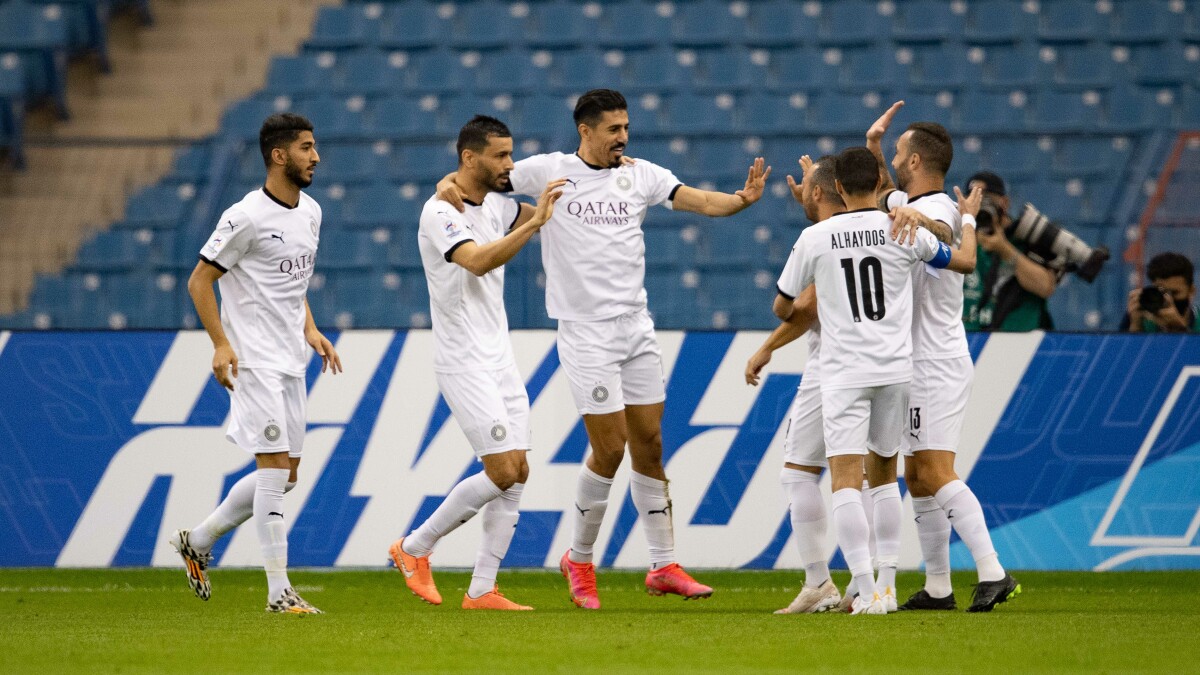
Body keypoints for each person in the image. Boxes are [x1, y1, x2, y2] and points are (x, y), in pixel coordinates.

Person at [437, 89, 771, 609]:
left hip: (636, 326)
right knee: (610, 448)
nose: (624, 137)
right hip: (584, 331)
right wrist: (444, 184)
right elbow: (482, 178)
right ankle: (579, 560)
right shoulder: (547, 169)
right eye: (614, 129)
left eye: (626, 128)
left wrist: (741, 200)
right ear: (586, 131)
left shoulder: (640, 174)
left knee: (651, 444)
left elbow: (700, 201)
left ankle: (663, 565)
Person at [773, 146, 966, 615]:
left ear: (837, 187)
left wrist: (795, 312)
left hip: (844, 374)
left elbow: (782, 303)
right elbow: (955, 259)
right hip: (896, 372)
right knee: (882, 482)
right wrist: (945, 222)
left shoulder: (815, 238)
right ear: (880, 185)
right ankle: (888, 587)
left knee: (843, 483)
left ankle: (863, 589)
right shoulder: (901, 228)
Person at [388, 116, 565, 611]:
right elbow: (478, 260)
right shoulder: (439, 212)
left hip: (499, 355)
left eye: (511, 154)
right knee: (503, 469)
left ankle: (482, 589)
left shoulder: (497, 205)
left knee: (519, 470)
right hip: (463, 359)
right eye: (501, 155)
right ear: (470, 158)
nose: (509, 164)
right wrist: (534, 222)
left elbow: (555, 213)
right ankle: (414, 546)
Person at [170, 113, 342, 614]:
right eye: (307, 147)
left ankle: (198, 541)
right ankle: (278, 593)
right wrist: (221, 344)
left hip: (291, 360)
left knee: (286, 477)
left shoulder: (310, 212)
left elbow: (294, 284)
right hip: (254, 362)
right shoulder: (244, 216)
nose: (316, 156)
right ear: (278, 155)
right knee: (271, 471)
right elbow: (200, 281)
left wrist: (310, 329)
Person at [868, 107, 1021, 612]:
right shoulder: (909, 201)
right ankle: (938, 587)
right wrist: (873, 146)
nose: (891, 161)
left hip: (934, 361)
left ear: (914, 159)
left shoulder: (942, 210)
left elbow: (943, 228)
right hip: (923, 359)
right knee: (918, 476)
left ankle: (994, 571)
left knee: (935, 470)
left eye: (895, 154)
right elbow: (884, 192)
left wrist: (926, 215)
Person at [745, 154, 846, 614]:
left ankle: (821, 582)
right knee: (872, 478)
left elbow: (796, 308)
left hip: (834, 369)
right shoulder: (883, 226)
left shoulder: (820, 238)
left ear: (824, 190)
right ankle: (872, 583)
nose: (800, 190)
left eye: (807, 184)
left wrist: (768, 344)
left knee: (800, 472)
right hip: (890, 367)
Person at [959, 171, 1060, 331]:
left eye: (987, 199)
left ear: (1005, 203)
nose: (981, 207)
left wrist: (1005, 249)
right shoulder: (960, 237)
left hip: (1020, 341)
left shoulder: (1027, 237)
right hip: (972, 338)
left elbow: (1045, 287)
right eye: (974, 200)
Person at [1121, 252, 1198, 332]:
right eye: (1162, 293)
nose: (1168, 299)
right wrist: (1136, 327)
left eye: (1174, 293)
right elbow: (1123, 344)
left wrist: (1179, 329)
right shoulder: (1140, 316)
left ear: (1191, 291)